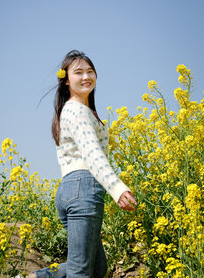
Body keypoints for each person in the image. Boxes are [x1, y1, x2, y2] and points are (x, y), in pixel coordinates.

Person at [22, 50, 137, 278]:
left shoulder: (74, 110)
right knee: (81, 271)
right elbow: (92, 154)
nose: (86, 77)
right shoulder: (77, 111)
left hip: (69, 189)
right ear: (66, 80)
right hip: (83, 187)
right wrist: (116, 188)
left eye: (90, 71)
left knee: (94, 267)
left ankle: (33, 277)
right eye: (79, 72)